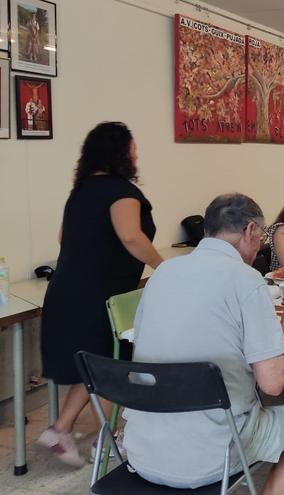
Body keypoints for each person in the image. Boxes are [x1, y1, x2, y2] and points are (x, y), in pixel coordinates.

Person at [124, 193, 284, 491]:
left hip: (142, 448)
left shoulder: (163, 273)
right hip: (212, 454)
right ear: (249, 231)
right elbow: (272, 385)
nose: (259, 245)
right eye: (260, 237)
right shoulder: (245, 279)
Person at [37, 122, 164, 467]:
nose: (137, 153)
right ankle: (108, 443)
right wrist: (163, 266)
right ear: (121, 152)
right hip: (100, 299)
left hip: (66, 293)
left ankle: (60, 429)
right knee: (110, 369)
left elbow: (64, 237)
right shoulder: (120, 191)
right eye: (133, 147)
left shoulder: (81, 189)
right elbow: (131, 237)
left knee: (91, 367)